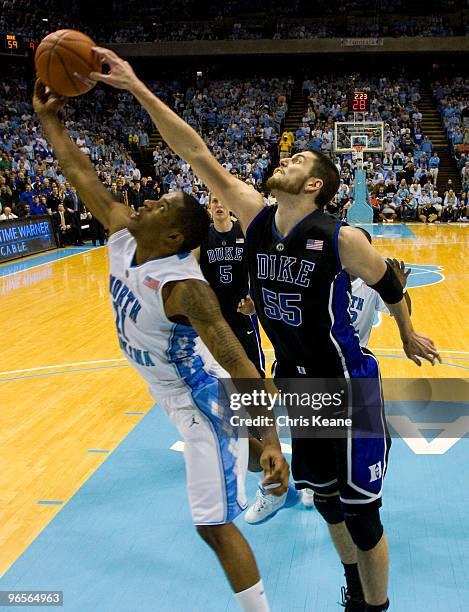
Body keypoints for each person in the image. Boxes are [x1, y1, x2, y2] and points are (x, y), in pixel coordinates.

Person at [88, 48, 441, 612]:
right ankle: (354, 587)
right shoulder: (254, 219)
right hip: (297, 386)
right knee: (326, 503)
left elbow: (393, 283)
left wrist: (405, 332)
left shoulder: (342, 239)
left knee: (363, 513)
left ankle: (375, 608)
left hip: (345, 384)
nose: (286, 159)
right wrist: (133, 85)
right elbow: (196, 151)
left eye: (298, 158)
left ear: (315, 187)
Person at [33, 80, 289, 612]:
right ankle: (282, 469)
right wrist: (51, 120)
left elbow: (238, 361)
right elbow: (81, 174)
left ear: (173, 238)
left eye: (160, 204)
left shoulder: (183, 287)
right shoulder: (125, 235)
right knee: (233, 469)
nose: (146, 200)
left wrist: (268, 435)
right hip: (167, 391)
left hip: (199, 403)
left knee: (212, 525)